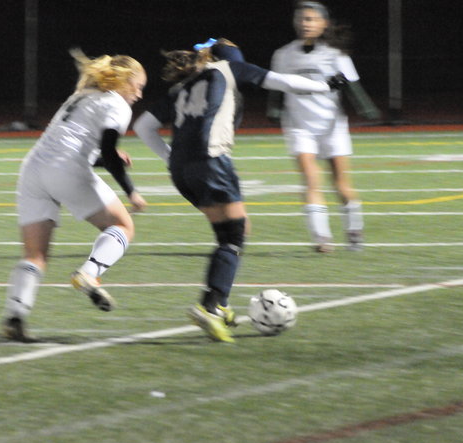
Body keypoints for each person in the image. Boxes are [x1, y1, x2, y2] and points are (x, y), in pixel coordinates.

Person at [134, 38, 339, 342]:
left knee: (230, 234)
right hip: (211, 161)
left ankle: (219, 303)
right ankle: (210, 306)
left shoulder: (183, 85)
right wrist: (326, 85)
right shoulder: (227, 68)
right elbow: (284, 82)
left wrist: (172, 158)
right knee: (234, 235)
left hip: (181, 171)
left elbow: (143, 127)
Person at [2, 49, 148, 342]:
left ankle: (15, 315)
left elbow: (78, 145)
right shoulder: (117, 103)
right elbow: (107, 150)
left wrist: (106, 159)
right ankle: (90, 274)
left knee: (35, 255)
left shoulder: (82, 95)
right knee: (122, 226)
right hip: (66, 169)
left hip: (33, 169)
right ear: (124, 80)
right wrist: (131, 191)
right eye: (138, 86)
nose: (139, 94)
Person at [267, 1, 380, 253]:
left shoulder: (335, 54)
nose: (304, 24)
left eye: (310, 19)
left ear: (323, 23)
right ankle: (322, 238)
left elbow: (352, 86)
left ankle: (354, 231)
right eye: (301, 19)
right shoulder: (283, 54)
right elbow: (276, 86)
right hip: (299, 125)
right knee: (311, 180)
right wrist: (273, 108)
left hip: (331, 125)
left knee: (341, 185)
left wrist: (365, 107)